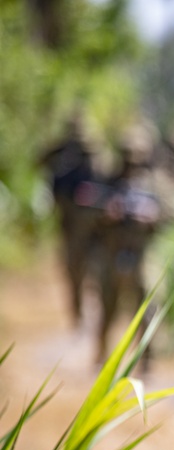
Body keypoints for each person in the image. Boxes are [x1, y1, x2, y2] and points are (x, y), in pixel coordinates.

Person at [87, 122, 174, 363]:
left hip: (144, 255)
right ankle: (101, 354)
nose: (132, 161)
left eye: (138, 156)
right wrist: (107, 213)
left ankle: (147, 360)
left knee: (148, 309)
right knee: (107, 307)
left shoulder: (157, 183)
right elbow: (86, 210)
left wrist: (154, 214)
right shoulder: (108, 182)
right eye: (128, 155)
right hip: (111, 253)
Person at [38, 113, 103, 327]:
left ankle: (92, 313)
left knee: (93, 270)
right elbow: (40, 162)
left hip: (91, 225)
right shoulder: (61, 154)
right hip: (69, 223)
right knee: (73, 269)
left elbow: (105, 182)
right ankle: (78, 313)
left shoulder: (95, 153)